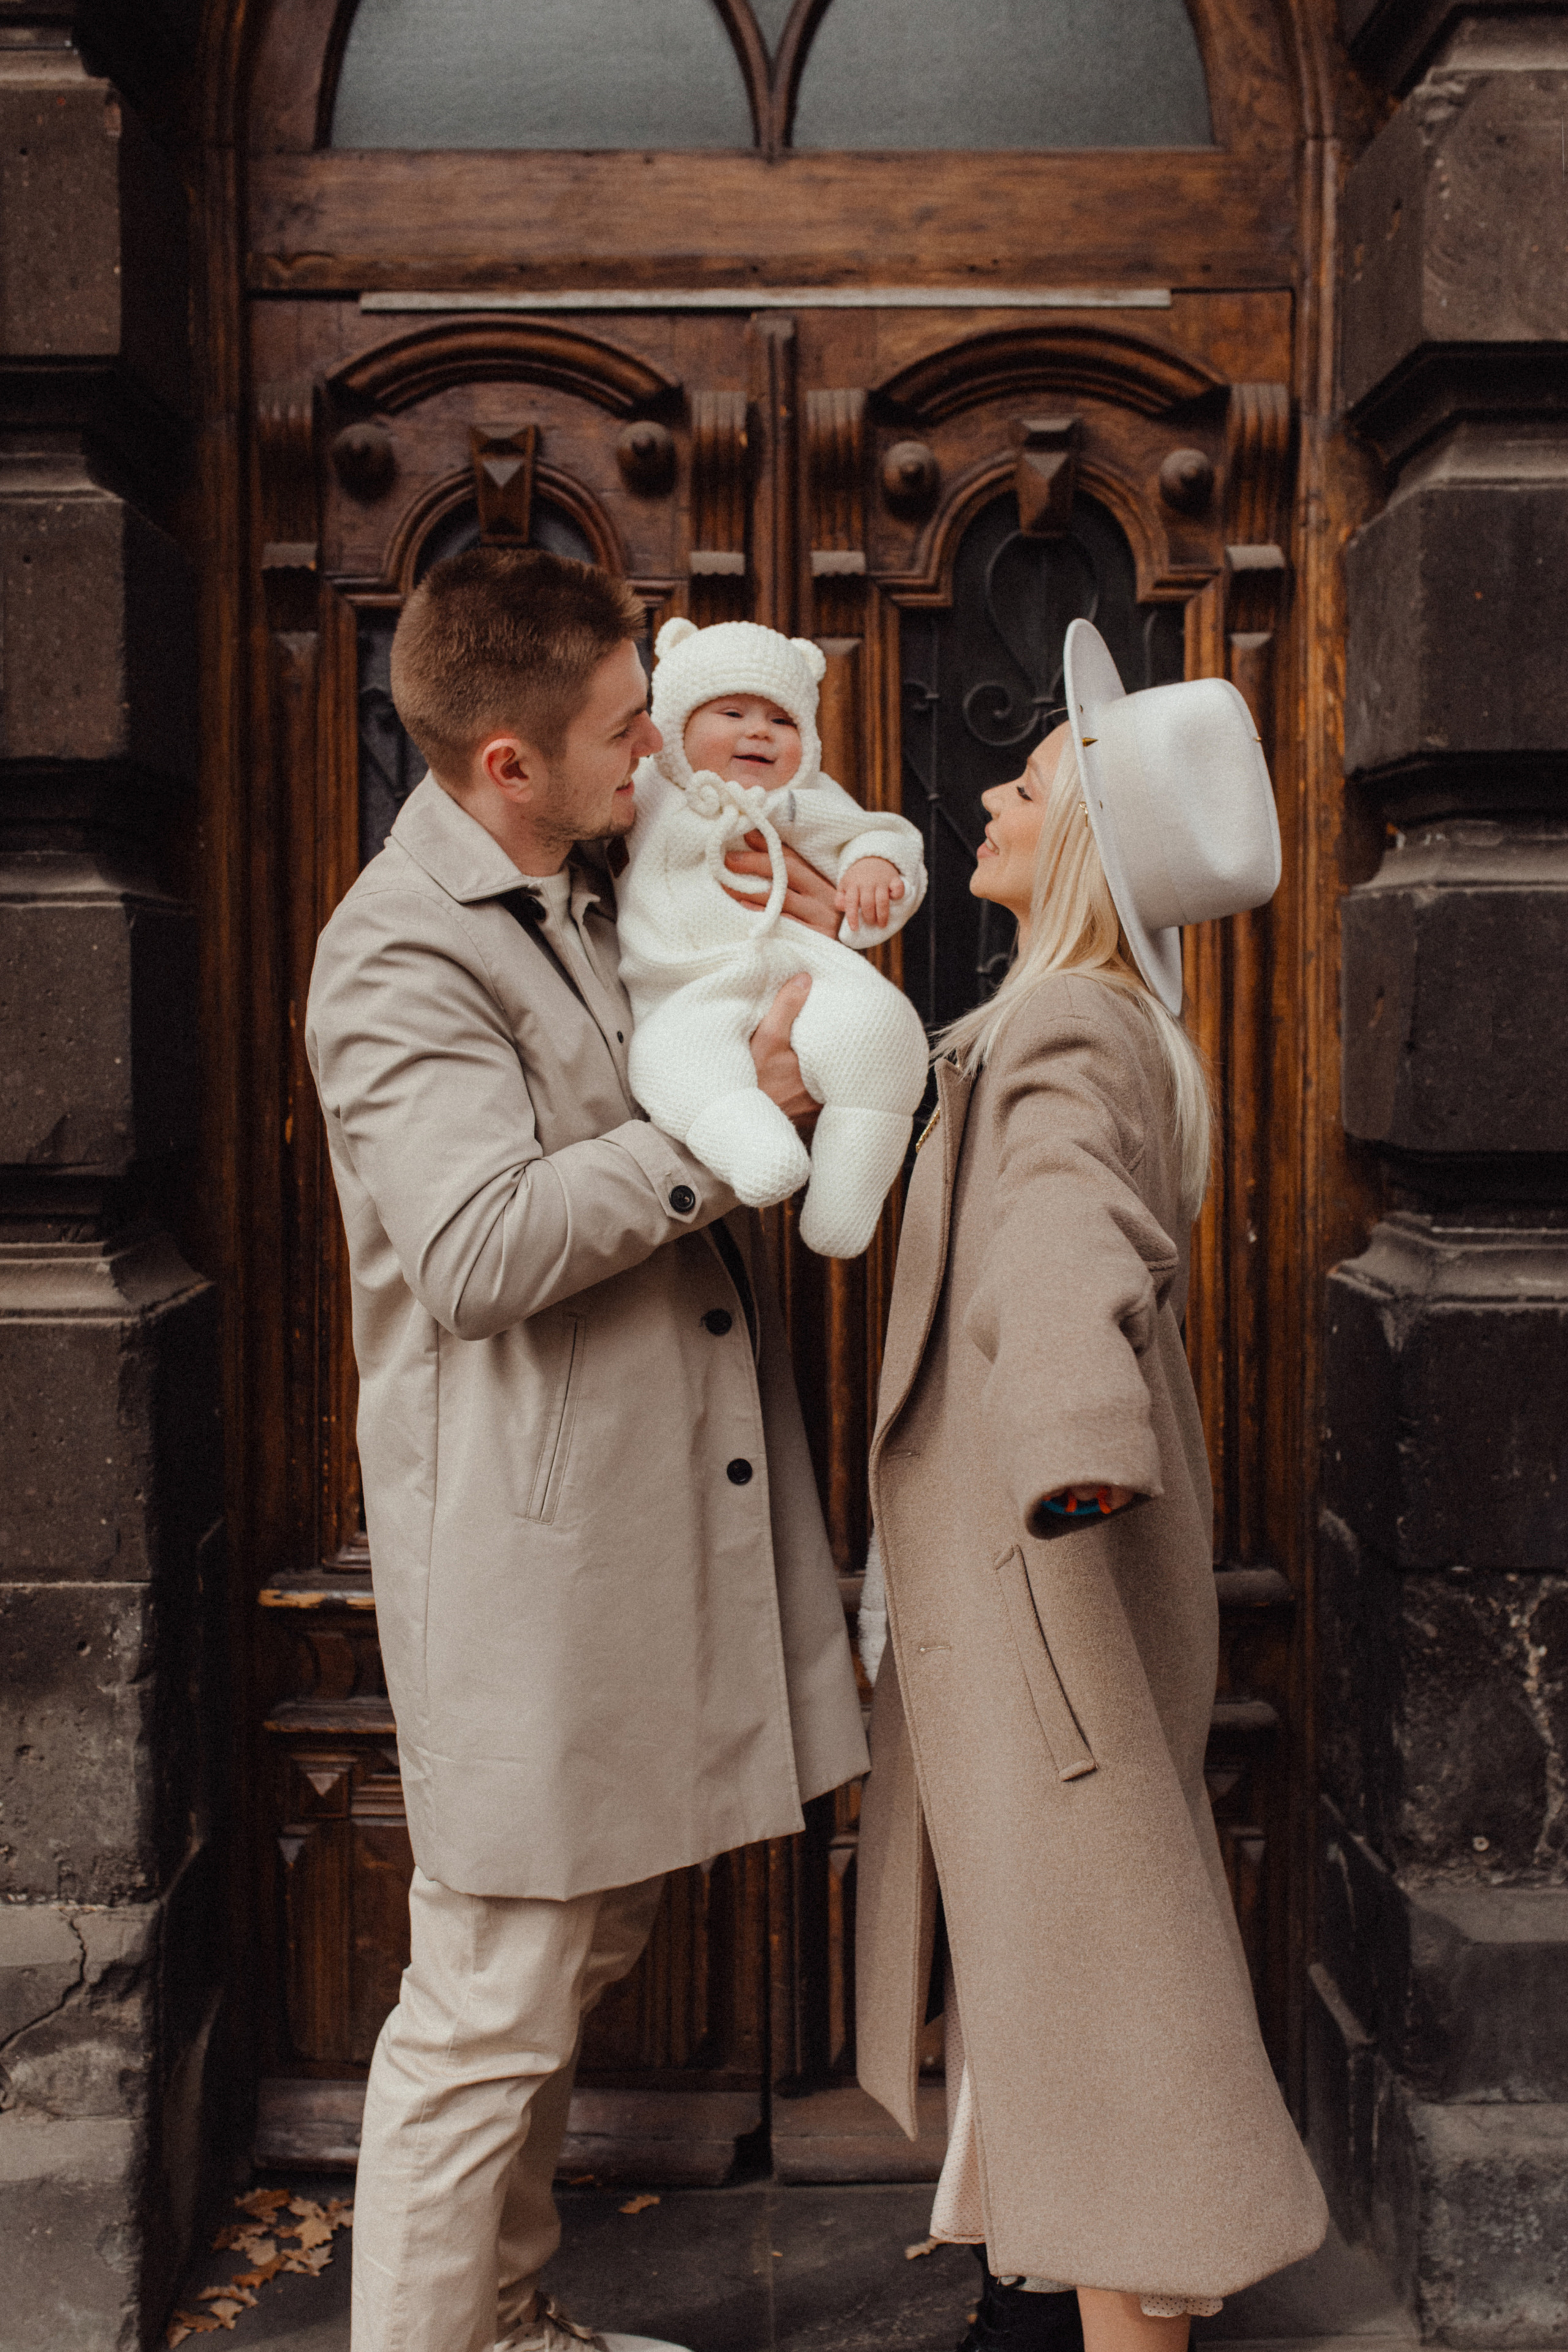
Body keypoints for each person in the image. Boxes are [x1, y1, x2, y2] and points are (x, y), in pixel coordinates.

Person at [304, 548, 869, 2352]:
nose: (660, 750)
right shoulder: (396, 952)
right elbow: (471, 1251)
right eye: (629, 725)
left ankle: (509, 2320)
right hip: (528, 1577)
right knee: (485, 2008)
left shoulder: (593, 878)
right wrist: (739, 1131)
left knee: (565, 1968)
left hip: (643, 1544)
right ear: (503, 764)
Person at [854, 619, 1328, 2352]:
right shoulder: (1066, 1018)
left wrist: (1068, 1449)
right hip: (1028, 1611)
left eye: (1035, 781)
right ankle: (1025, 2299)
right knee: (1056, 1994)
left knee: (1120, 2026)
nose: (992, 790)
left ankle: (1113, 2317)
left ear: (1092, 850)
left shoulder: (1066, 1033)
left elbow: (1066, 1242)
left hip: (1047, 1599)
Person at [617, 618, 929, 1259]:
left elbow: (880, 833)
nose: (758, 731)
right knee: (671, 1059)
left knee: (885, 1030)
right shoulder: (647, 790)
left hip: (802, 976)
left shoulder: (799, 800)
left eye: (781, 721)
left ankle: (845, 1199)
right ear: (672, 726)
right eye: (731, 712)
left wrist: (874, 869)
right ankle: (750, 1144)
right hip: (687, 990)